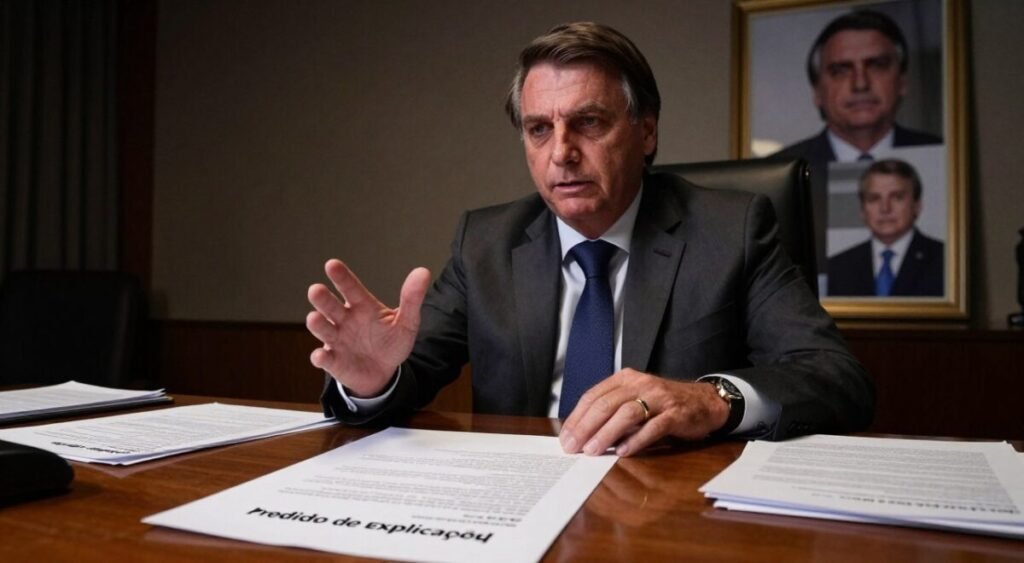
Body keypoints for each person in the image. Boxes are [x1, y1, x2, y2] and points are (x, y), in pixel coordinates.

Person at [306, 22, 874, 457]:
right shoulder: (487, 243)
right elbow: (411, 373)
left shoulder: (732, 230)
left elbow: (836, 379)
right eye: (539, 129)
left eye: (590, 123)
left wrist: (711, 398)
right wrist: (375, 381)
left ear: (646, 132)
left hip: (672, 508)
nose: (561, 153)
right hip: (516, 505)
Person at [775, 9, 941, 164]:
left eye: (876, 65)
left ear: (902, 82)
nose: (860, 84)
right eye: (841, 71)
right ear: (817, 92)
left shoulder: (946, 158)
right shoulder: (777, 172)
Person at [828, 159, 944, 297]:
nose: (885, 208)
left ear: (916, 205)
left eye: (897, 197)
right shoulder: (839, 266)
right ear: (863, 209)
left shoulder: (944, 259)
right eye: (874, 198)